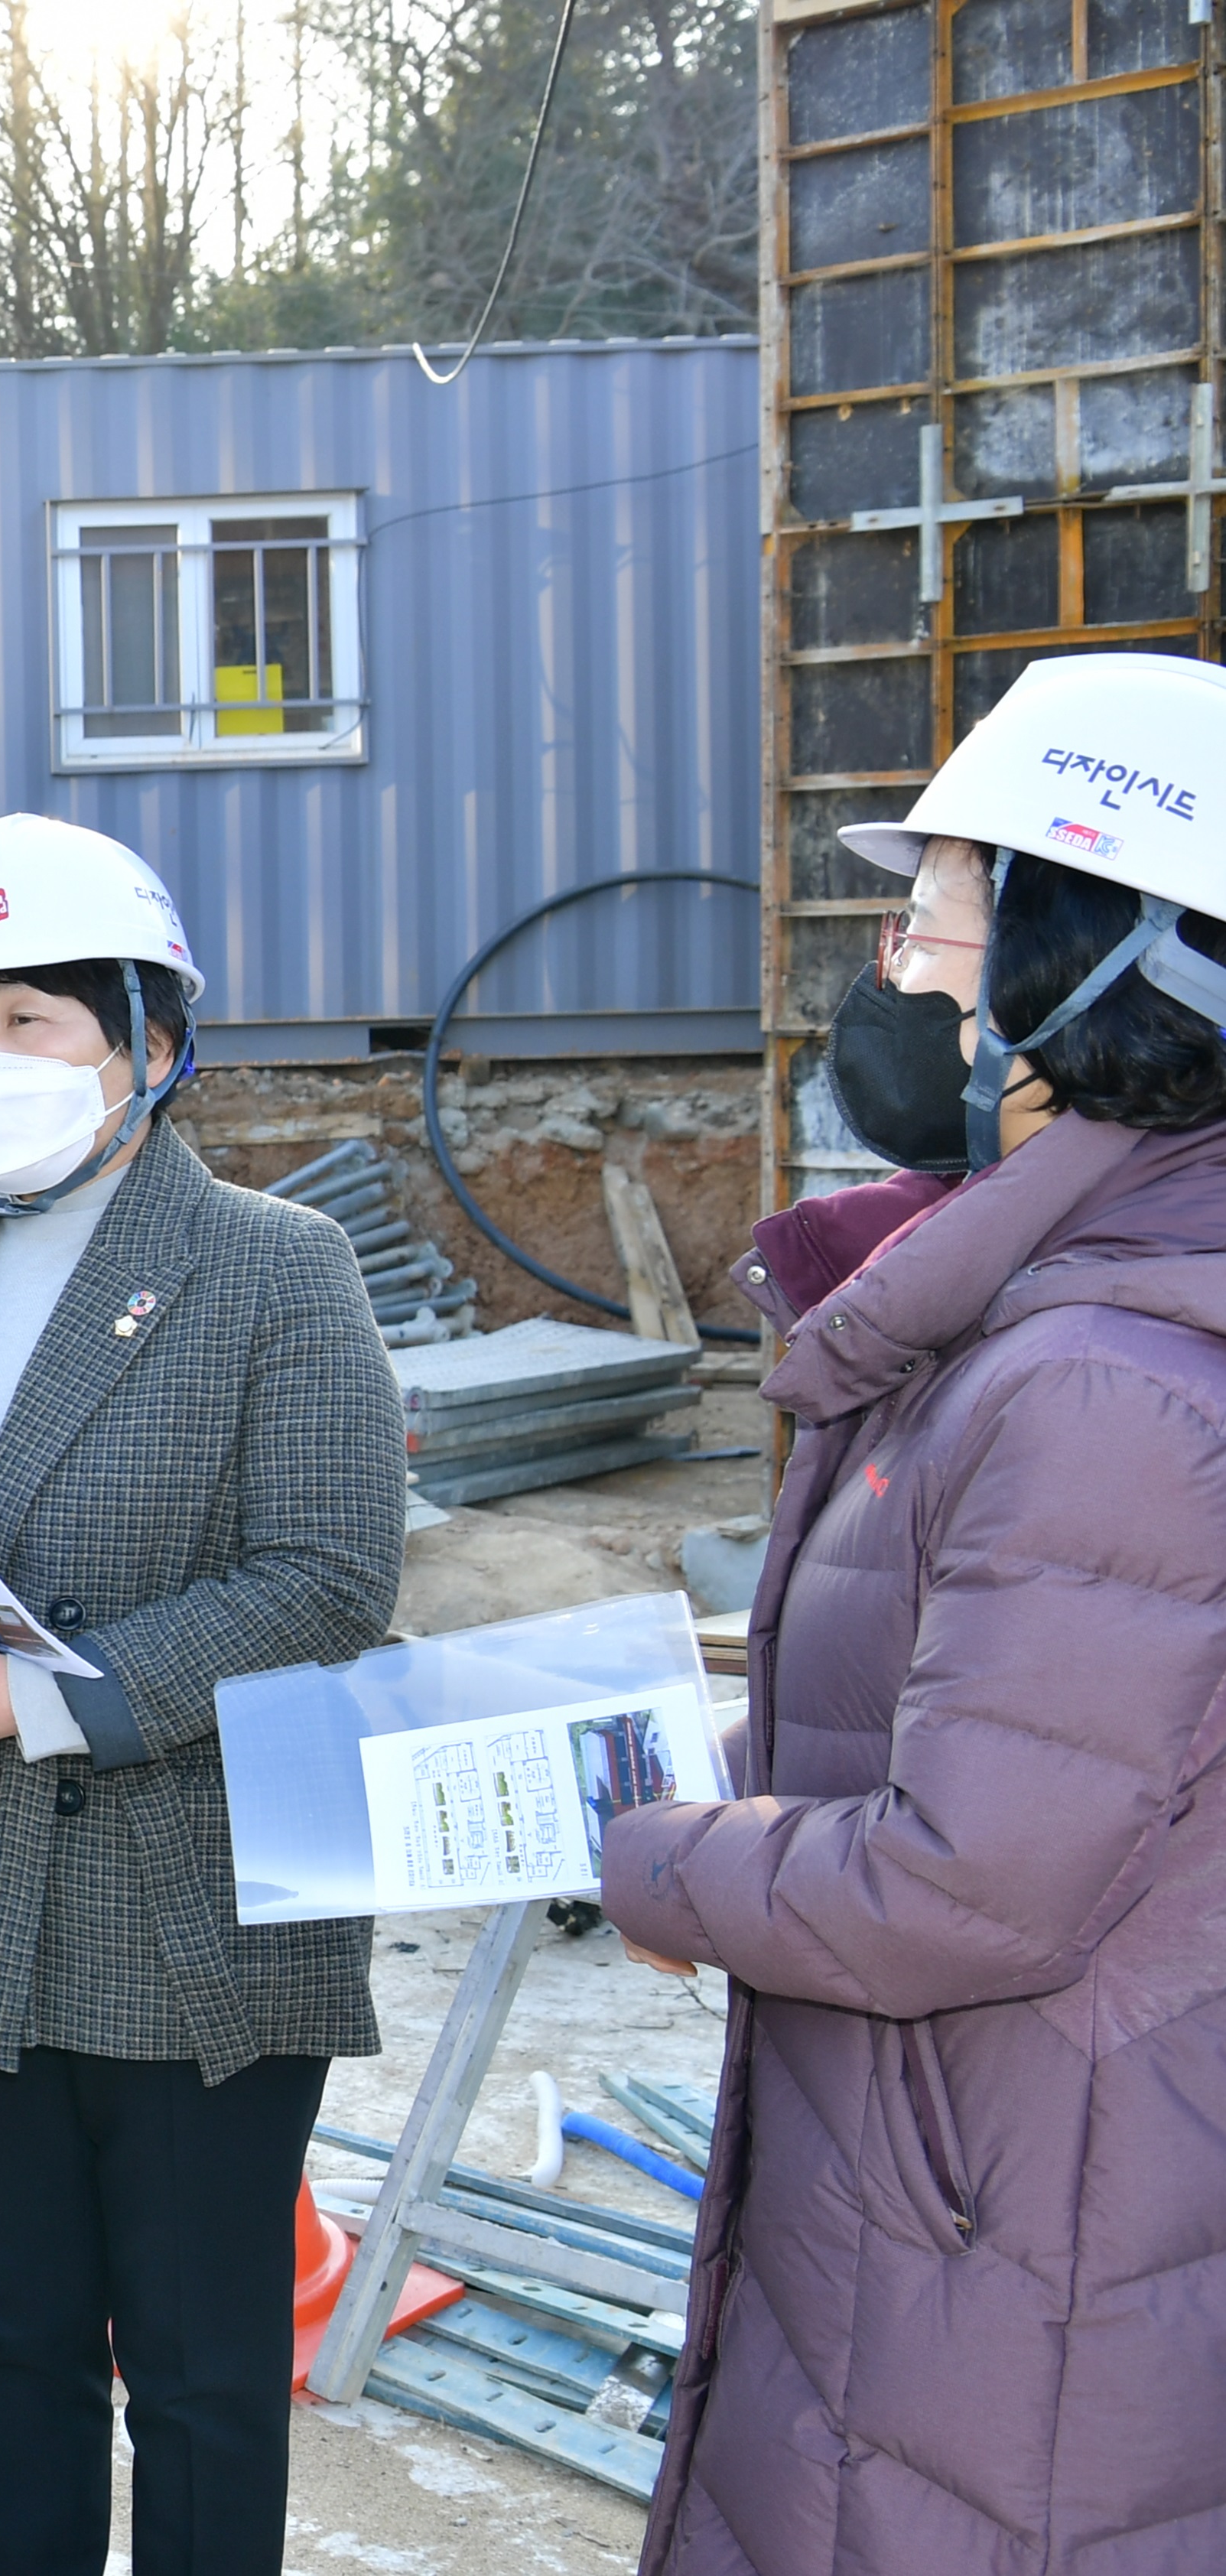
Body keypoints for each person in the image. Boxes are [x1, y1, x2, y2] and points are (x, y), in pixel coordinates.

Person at [600, 649, 1226, 2576]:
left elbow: (972, 1882)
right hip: (963, 2194)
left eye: (934, 911)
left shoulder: (1098, 1383)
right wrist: (728, 1774)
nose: (895, 967)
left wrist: (657, 1857)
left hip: (1004, 2257)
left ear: (1093, 964)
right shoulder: (1034, 1317)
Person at [0, 815, 405, 2576]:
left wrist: (49, 1701)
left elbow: (332, 1579)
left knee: (198, 2382)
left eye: (30, 1019)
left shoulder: (279, 1271)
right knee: (15, 2354)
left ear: (153, 1044)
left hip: (192, 1913)